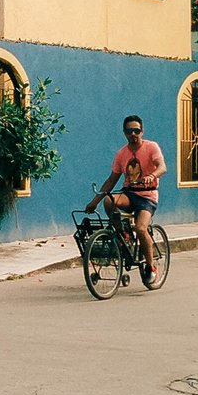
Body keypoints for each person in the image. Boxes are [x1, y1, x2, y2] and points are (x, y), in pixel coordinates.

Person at [85, 115, 167, 284]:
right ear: (124, 133)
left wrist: (151, 176)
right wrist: (95, 201)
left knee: (141, 228)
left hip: (147, 196)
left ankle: (150, 267)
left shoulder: (151, 147)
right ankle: (123, 233)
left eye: (136, 130)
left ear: (142, 131)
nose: (133, 134)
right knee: (110, 201)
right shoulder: (121, 154)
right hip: (129, 193)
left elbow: (162, 167)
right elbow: (111, 180)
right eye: (129, 131)